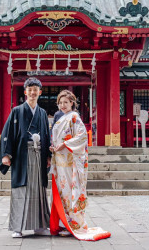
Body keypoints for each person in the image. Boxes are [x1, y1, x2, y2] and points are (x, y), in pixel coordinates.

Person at [50, 90, 111, 241]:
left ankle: (74, 225)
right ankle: (63, 223)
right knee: (61, 192)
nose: (62, 105)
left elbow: (82, 137)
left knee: (71, 191)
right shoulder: (61, 118)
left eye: (65, 102)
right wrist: (54, 147)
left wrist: (64, 144)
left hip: (70, 163)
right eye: (60, 103)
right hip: (60, 162)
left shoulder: (75, 117)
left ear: (72, 103)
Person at [0, 77, 51, 238]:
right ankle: (18, 227)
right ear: (25, 92)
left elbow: (46, 135)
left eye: (36, 90)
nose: (33, 92)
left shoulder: (42, 113)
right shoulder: (17, 111)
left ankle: (40, 226)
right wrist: (6, 154)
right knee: (21, 189)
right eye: (30, 89)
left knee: (39, 190)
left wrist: (48, 156)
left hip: (39, 155)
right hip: (22, 154)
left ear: (40, 92)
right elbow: (7, 134)